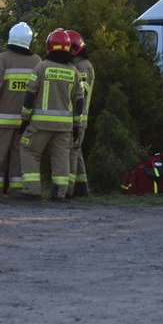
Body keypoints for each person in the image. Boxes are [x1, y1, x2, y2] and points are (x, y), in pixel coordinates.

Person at [18, 29, 84, 201]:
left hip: (40, 125)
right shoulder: (74, 73)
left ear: (49, 46)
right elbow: (79, 103)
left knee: (29, 150)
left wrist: (25, 120)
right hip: (65, 127)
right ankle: (59, 193)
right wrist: (77, 125)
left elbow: (29, 96)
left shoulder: (41, 68)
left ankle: (32, 190)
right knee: (61, 158)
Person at [0, 22, 41, 194]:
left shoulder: (3, 59)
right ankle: (16, 190)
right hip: (25, 123)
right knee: (19, 160)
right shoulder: (37, 61)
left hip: (1, 123)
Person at [67, 30, 94, 198]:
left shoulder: (82, 67)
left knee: (71, 152)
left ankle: (68, 190)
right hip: (79, 118)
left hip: (78, 118)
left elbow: (79, 95)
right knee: (77, 153)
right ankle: (82, 188)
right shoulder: (81, 64)